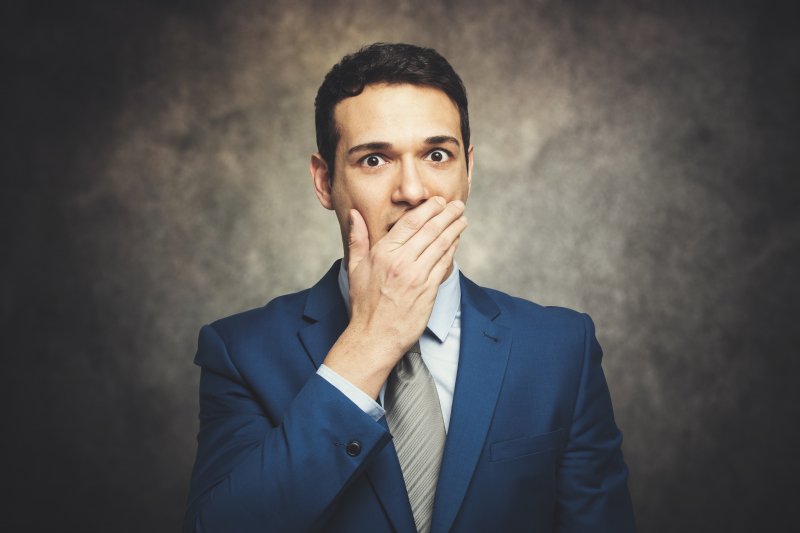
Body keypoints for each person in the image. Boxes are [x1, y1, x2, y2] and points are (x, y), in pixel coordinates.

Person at [183, 42, 635, 533]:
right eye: (374, 160)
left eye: (437, 155)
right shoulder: (241, 351)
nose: (413, 191)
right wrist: (372, 340)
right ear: (324, 181)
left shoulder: (560, 349)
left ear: (468, 171)